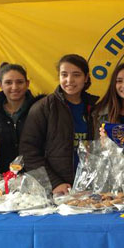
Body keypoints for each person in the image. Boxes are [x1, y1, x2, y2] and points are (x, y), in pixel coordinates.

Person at [20, 54, 99, 195]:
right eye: (64, 75)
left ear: (86, 78)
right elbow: (28, 151)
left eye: (76, 75)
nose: (70, 80)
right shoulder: (44, 107)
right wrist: (54, 183)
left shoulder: (95, 108)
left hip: (90, 189)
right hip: (58, 191)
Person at [0, 62, 44, 173]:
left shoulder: (40, 109)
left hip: (36, 176)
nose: (14, 87)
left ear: (27, 84)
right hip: (2, 177)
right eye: (8, 82)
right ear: (0, 84)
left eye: (19, 82)